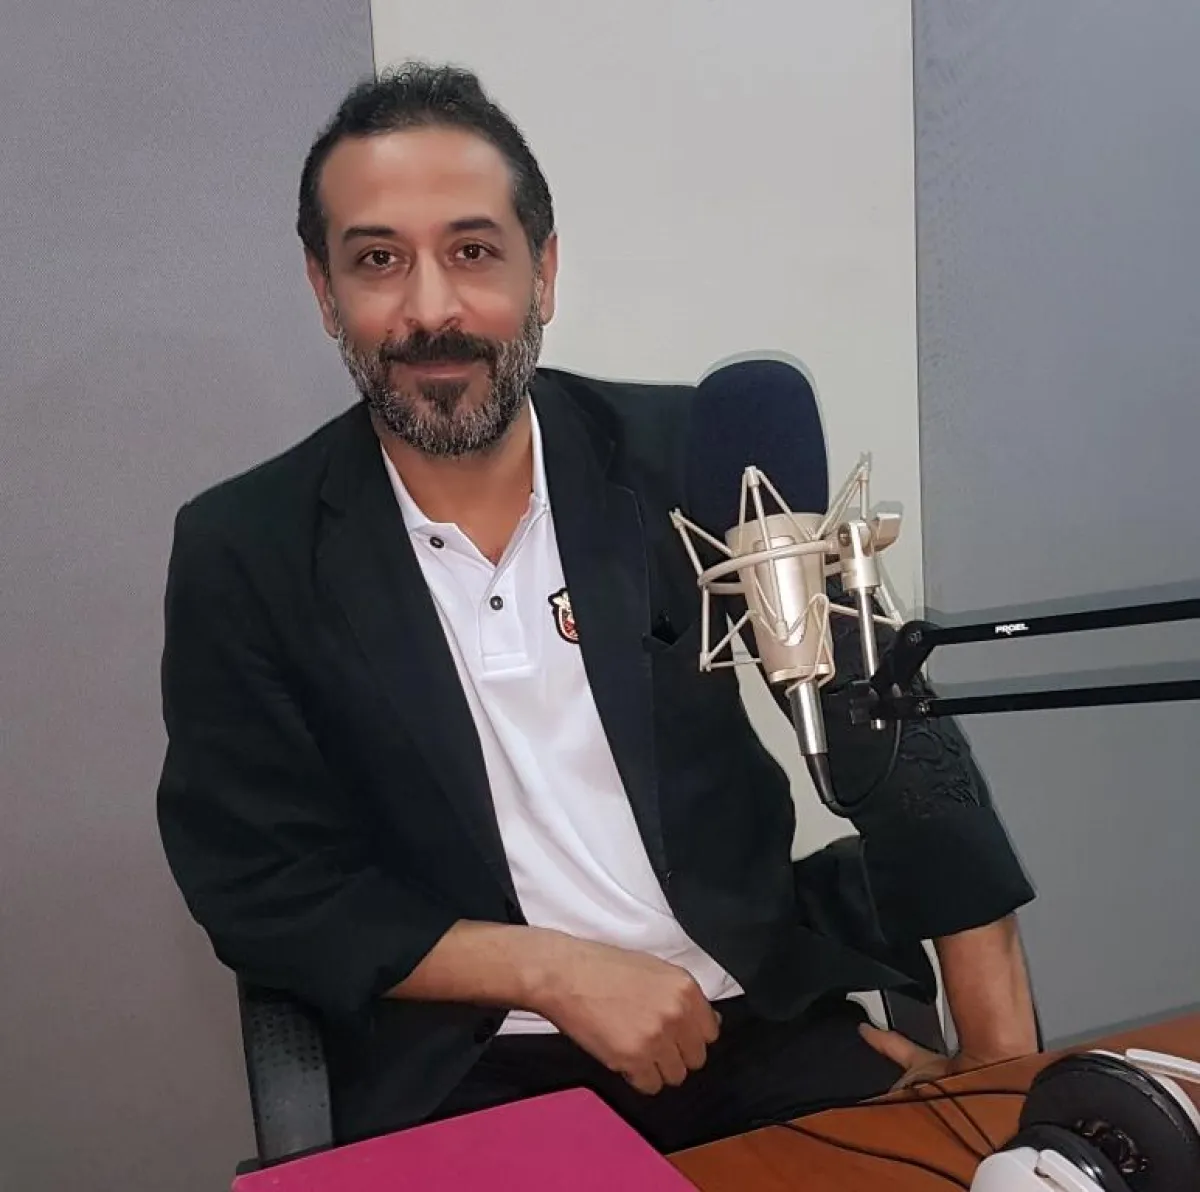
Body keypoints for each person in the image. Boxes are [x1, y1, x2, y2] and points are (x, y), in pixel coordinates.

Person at [156, 62, 1038, 1153]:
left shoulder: (697, 459)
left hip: (753, 1027)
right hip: (469, 1065)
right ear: (323, 290)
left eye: (473, 251)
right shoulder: (247, 547)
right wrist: (551, 970)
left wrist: (1001, 1068)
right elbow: (258, 880)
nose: (430, 310)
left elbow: (901, 749)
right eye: (378, 259)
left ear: (544, 272)